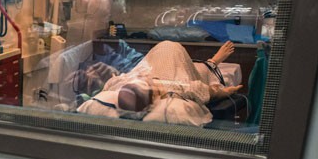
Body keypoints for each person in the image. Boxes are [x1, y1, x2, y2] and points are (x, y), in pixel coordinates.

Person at [77, 40, 242, 125]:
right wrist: (224, 92)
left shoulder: (120, 83)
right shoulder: (178, 89)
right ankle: (213, 62)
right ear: (153, 97)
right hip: (175, 53)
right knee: (196, 71)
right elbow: (204, 91)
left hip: (156, 55)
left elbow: (108, 86)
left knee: (188, 68)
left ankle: (212, 62)